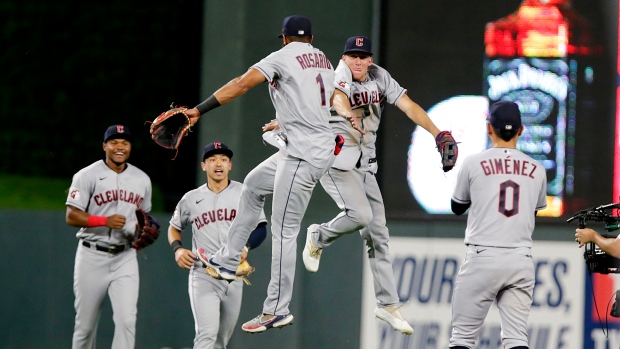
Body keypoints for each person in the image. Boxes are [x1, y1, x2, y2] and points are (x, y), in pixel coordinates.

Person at [184, 15, 345, 333]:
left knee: (285, 230)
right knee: (253, 186)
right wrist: (284, 123)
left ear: (284, 38)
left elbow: (242, 84)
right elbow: (317, 103)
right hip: (311, 146)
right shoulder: (323, 60)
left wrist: (198, 110)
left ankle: (277, 309)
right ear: (310, 39)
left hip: (302, 155)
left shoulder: (281, 57)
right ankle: (228, 259)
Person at [297, 35, 447, 335]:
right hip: (336, 160)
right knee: (361, 216)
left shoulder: (379, 76)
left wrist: (437, 132)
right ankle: (318, 235)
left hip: (364, 164)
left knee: (378, 233)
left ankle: (388, 304)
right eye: (352, 55)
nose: (358, 61)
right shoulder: (337, 74)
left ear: (370, 59)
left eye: (363, 56)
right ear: (344, 58)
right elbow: (337, 97)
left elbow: (408, 105)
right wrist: (346, 113)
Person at [448, 100, 547, 349]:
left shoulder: (472, 163)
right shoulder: (537, 169)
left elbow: (457, 207)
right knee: (516, 339)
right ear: (521, 130)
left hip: (483, 255)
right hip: (520, 258)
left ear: (488, 128)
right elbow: (532, 213)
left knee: (462, 339)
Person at [167, 142, 267, 348]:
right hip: (204, 273)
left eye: (223, 159)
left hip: (234, 274)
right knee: (206, 335)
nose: (218, 163)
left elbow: (261, 228)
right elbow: (174, 227)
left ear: (230, 165)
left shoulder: (244, 193)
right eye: (212, 159)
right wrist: (178, 249)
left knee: (221, 340)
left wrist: (246, 247)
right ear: (203, 165)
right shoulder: (191, 198)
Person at [65, 125, 153, 349]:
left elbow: (145, 218)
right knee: (85, 327)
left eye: (125, 142)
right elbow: (71, 215)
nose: (120, 147)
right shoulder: (86, 175)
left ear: (130, 147)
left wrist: (143, 231)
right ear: (104, 146)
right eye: (114, 142)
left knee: (126, 321)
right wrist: (104, 221)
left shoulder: (142, 179)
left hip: (125, 256)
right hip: (91, 255)